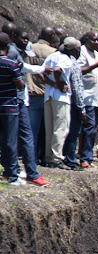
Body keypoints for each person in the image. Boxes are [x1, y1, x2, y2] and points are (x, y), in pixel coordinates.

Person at [7, 26, 51, 184]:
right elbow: (20, 75)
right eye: (23, 38)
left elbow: (24, 67)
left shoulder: (13, 51)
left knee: (11, 138)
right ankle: (31, 173)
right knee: (26, 137)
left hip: (16, 100)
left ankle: (11, 171)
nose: (26, 42)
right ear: (13, 37)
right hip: (18, 100)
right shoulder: (12, 53)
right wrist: (43, 69)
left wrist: (42, 69)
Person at [42, 37, 77, 169]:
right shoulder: (66, 59)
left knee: (49, 128)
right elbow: (57, 70)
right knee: (61, 127)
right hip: (61, 98)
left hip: (48, 96)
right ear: (73, 50)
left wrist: (52, 84)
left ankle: (48, 157)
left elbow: (42, 72)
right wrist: (59, 83)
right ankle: (56, 158)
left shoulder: (52, 56)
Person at [27, 28, 59, 164]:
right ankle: (45, 158)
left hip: (31, 93)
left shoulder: (29, 48)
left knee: (32, 131)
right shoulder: (53, 53)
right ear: (51, 37)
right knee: (47, 130)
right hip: (47, 94)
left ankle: (31, 158)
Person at [75, 30, 98, 168]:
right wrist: (95, 65)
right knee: (89, 127)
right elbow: (79, 70)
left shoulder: (97, 54)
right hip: (88, 97)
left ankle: (89, 157)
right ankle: (85, 158)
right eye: (94, 40)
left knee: (94, 128)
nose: (97, 43)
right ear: (87, 39)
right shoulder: (82, 51)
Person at [0, 32, 27, 185]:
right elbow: (20, 85)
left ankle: (6, 171)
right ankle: (13, 175)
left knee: (2, 141)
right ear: (8, 46)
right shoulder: (11, 63)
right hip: (10, 107)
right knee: (10, 141)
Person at [61, 38, 86, 169]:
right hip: (73, 103)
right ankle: (70, 160)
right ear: (76, 50)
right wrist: (81, 108)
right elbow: (76, 88)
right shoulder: (73, 63)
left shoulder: (59, 59)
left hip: (63, 101)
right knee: (73, 132)